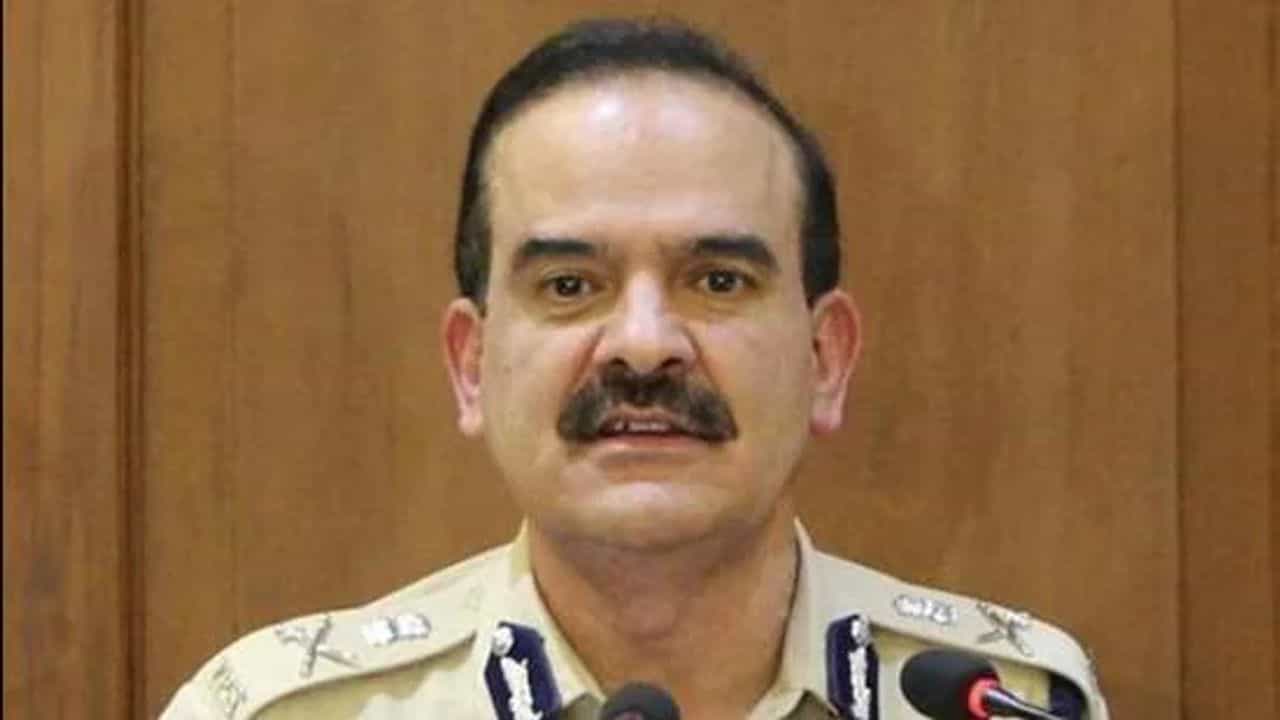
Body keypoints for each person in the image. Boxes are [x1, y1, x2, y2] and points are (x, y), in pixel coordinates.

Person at [161, 18, 1108, 720]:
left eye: (718, 280)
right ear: (471, 364)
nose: (644, 345)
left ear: (826, 359)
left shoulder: (1002, 703)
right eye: (571, 286)